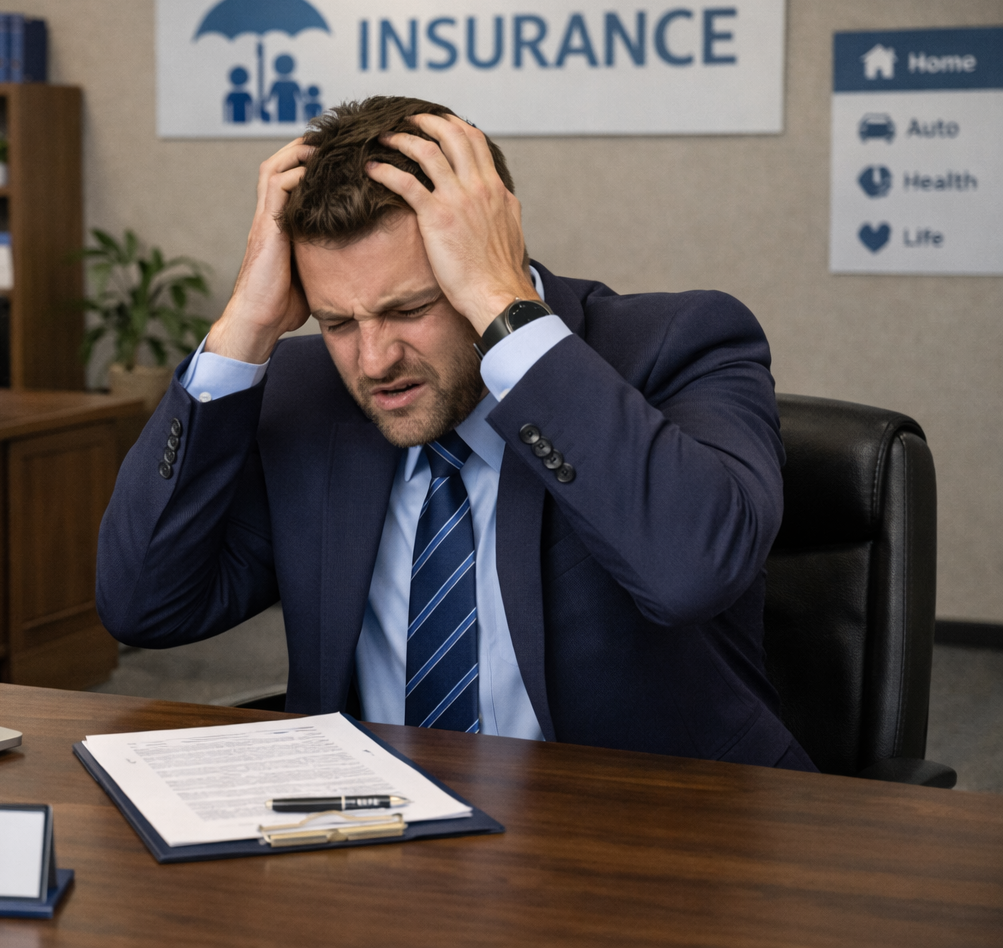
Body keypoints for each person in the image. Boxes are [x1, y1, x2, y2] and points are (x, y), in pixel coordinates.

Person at [96, 96, 814, 770]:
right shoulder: (310, 394)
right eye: (339, 321)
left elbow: (691, 571)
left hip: (642, 842)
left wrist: (503, 305)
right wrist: (240, 332)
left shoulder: (677, 344)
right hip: (376, 838)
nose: (374, 362)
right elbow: (145, 604)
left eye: (411, 308)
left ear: (488, 254)